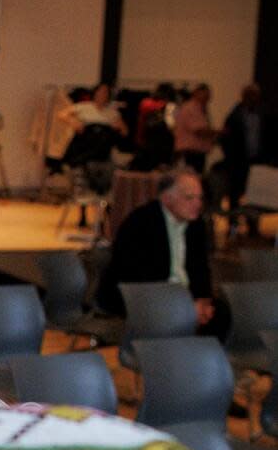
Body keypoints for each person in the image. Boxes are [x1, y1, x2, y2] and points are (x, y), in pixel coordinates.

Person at [95, 169, 221, 334]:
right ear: (167, 198)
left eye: (200, 198)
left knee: (223, 314)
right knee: (177, 317)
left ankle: (198, 357)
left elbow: (201, 268)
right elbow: (137, 275)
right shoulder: (140, 223)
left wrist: (202, 301)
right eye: (189, 198)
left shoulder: (196, 226)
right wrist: (185, 305)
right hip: (142, 295)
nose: (198, 204)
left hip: (180, 296)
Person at [221, 84, 271, 231]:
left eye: (254, 95)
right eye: (249, 95)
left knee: (256, 194)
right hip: (238, 161)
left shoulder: (263, 114)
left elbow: (270, 136)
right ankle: (233, 225)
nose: (252, 98)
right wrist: (230, 157)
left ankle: (253, 224)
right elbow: (227, 138)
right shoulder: (235, 115)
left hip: (257, 160)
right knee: (235, 193)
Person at [174, 84, 217, 173]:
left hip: (196, 153)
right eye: (205, 96)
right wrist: (219, 133)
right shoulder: (191, 108)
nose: (207, 99)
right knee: (192, 179)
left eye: (208, 97)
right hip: (191, 153)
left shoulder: (199, 109)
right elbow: (199, 130)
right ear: (196, 94)